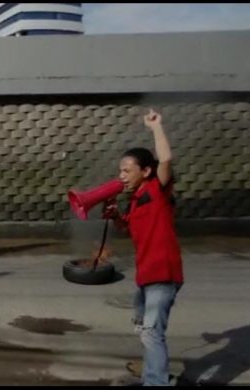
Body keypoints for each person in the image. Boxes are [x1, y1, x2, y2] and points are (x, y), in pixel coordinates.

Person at [104, 108, 183, 386]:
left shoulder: (155, 190)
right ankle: (153, 372)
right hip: (145, 277)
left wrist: (156, 127)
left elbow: (166, 159)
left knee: (151, 332)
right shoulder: (136, 199)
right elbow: (127, 229)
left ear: (146, 171)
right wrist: (115, 216)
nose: (121, 176)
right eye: (120, 171)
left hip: (163, 274)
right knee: (143, 328)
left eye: (127, 170)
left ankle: (156, 382)